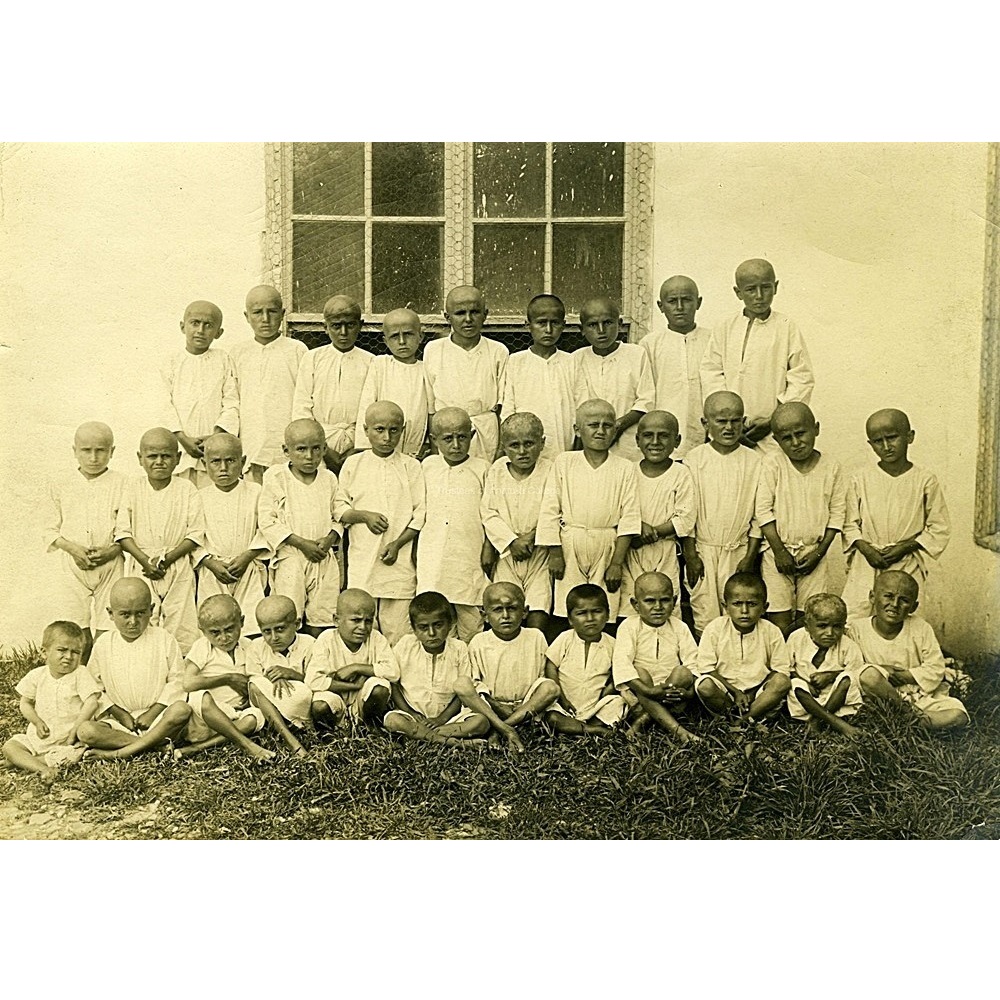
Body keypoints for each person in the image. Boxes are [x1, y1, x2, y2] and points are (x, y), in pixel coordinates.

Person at [537, 399, 641, 625]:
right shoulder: (564, 462)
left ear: (615, 428)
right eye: (594, 425)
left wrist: (616, 563)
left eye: (607, 425)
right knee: (570, 609)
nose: (601, 431)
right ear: (577, 429)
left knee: (604, 608)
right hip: (570, 544)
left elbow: (630, 517)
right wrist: (555, 553)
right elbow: (550, 509)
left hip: (607, 543)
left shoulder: (625, 467)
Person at [842, 408, 950, 617]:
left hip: (905, 561)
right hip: (867, 560)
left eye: (891, 438)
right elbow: (849, 524)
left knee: (903, 616)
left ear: (909, 436)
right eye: (877, 441)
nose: (886, 447)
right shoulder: (860, 479)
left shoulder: (925, 480)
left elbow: (939, 525)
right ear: (870, 444)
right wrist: (866, 549)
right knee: (857, 614)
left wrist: (905, 547)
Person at [700, 259, 814, 451]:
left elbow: (801, 378)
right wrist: (730, 420)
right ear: (738, 292)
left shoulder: (786, 327)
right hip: (730, 429)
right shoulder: (725, 327)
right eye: (751, 289)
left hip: (772, 430)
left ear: (776, 287)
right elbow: (711, 372)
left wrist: (774, 420)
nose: (759, 296)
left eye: (766, 288)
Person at [336, 401, 424, 644]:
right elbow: (339, 508)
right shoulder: (354, 464)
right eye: (379, 430)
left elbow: (421, 513)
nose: (387, 437)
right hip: (364, 559)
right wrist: (364, 516)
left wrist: (397, 543)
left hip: (399, 561)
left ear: (403, 430)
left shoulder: (411, 466)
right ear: (365, 430)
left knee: (399, 631)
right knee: (363, 626)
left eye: (394, 430)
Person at [76, 577, 193, 759]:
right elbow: (94, 687)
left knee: (181, 710)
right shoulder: (104, 644)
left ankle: (121, 751)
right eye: (125, 614)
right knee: (86, 731)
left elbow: (177, 681)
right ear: (110, 613)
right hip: (121, 724)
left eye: (140, 613)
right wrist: (119, 713)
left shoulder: (164, 639)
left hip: (159, 719)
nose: (133, 621)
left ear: (151, 610)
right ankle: (152, 747)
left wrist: (153, 712)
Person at [756, 402, 846, 636]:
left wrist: (819, 552)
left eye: (801, 433)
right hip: (776, 553)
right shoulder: (773, 464)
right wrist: (779, 550)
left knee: (811, 615)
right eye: (787, 438)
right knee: (779, 616)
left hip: (814, 553)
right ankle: (782, 666)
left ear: (815, 428)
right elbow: (763, 510)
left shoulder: (831, 467)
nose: (796, 443)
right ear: (776, 440)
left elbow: (837, 514)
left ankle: (803, 665)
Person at [115, 428, 205, 653]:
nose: (159, 462)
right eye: (152, 456)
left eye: (165, 456)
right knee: (144, 616)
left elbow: (195, 534)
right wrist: (145, 561)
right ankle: (146, 664)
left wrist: (168, 559)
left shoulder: (186, 489)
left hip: (177, 563)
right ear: (140, 459)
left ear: (177, 459)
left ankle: (179, 671)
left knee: (181, 619)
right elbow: (123, 533)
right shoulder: (133, 487)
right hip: (142, 564)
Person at [43, 421, 126, 660]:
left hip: (110, 564)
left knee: (108, 625)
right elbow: (49, 528)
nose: (93, 457)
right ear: (75, 451)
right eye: (86, 450)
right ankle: (76, 676)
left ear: (112, 451)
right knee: (75, 624)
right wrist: (72, 548)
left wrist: (113, 550)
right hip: (72, 563)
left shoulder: (123, 483)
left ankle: (103, 676)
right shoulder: (61, 483)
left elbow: (127, 526)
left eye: (101, 450)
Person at [684, 392, 763, 637]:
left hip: (738, 551)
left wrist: (749, 556)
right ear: (705, 423)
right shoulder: (694, 460)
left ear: (744, 421)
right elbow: (687, 512)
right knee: (705, 612)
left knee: (739, 613)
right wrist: (691, 555)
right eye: (721, 421)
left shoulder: (756, 461)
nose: (729, 428)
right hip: (703, 550)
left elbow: (759, 516)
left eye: (735, 421)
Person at [849, 570, 968, 730]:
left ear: (914, 606)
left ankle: (909, 720)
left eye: (904, 600)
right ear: (872, 597)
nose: (895, 604)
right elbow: (851, 666)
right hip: (878, 696)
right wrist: (883, 671)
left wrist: (906, 676)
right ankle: (914, 720)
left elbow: (936, 667)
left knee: (958, 715)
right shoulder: (856, 629)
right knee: (869, 676)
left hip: (917, 697)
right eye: (888, 596)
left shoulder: (921, 628)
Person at [258, 419, 341, 637]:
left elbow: (338, 515)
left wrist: (331, 538)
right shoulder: (276, 477)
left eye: (316, 449)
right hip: (291, 554)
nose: (309, 456)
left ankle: (318, 662)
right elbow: (267, 520)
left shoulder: (329, 478)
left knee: (323, 615)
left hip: (323, 555)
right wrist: (301, 543)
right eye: (301, 449)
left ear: (324, 448)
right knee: (289, 612)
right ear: (286, 450)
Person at [453, 583, 559, 751]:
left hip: (525, 705)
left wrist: (523, 705)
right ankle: (508, 727)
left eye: (512, 608)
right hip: (492, 706)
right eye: (497, 610)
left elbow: (540, 677)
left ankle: (500, 728)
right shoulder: (478, 642)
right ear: (484, 615)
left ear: (524, 612)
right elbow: (476, 683)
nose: (505, 615)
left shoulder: (535, 637)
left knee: (550, 687)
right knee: (464, 686)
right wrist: (496, 705)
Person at [417, 408, 491, 642]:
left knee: (470, 620)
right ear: (434, 440)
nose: (456, 445)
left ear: (472, 435)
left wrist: (489, 547)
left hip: (469, 553)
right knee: (438, 616)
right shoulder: (427, 467)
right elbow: (418, 511)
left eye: (462, 437)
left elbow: (491, 512)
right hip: (434, 552)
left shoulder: (483, 468)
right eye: (448, 439)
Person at [384, 592, 492, 746]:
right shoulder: (405, 645)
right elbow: (393, 685)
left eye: (438, 625)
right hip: (414, 716)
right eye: (423, 627)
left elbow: (462, 694)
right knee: (393, 720)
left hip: (449, 718)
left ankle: (422, 735)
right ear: (413, 628)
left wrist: (442, 719)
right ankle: (453, 742)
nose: (432, 633)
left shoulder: (458, 649)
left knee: (481, 722)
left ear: (450, 623)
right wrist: (411, 712)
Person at [179, 594, 279, 760]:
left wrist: (251, 696)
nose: (223, 638)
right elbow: (188, 683)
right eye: (215, 633)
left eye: (229, 629)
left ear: (242, 621)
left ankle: (197, 749)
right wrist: (227, 678)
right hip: (208, 718)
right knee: (199, 697)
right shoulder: (203, 646)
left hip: (235, 715)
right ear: (202, 630)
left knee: (255, 716)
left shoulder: (249, 646)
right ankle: (248, 745)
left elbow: (258, 677)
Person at [481, 412, 553, 632]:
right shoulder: (497, 471)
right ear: (504, 446)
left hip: (539, 551)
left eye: (529, 444)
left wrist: (531, 537)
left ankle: (536, 655)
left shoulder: (551, 470)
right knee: (506, 602)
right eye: (514, 445)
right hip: (507, 553)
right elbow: (488, 511)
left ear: (542, 443)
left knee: (539, 604)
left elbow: (555, 509)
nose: (522, 452)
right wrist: (511, 541)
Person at [620, 410, 696, 620]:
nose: (655, 442)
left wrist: (653, 532)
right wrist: (637, 526)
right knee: (632, 606)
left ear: (677, 440)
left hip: (664, 550)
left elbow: (686, 517)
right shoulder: (627, 472)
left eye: (663, 435)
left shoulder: (681, 474)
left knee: (665, 606)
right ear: (637, 440)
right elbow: (619, 508)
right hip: (631, 549)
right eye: (648, 436)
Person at [3, 621, 100, 784]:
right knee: (9, 747)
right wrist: (37, 721)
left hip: (67, 741)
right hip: (39, 738)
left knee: (74, 754)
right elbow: (25, 703)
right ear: (44, 652)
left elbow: (92, 702)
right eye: (62, 650)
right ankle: (43, 767)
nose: (69, 657)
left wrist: (75, 730)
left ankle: (25, 762)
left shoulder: (80, 674)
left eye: (76, 652)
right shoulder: (37, 675)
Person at [229, 285, 306, 483]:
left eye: (271, 312)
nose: (265, 319)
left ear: (282, 314)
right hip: (251, 445)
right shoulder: (237, 353)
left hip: (286, 445)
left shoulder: (297, 350)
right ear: (247, 316)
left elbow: (304, 399)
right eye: (257, 312)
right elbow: (232, 400)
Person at [423, 285, 508, 463]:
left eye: (475, 312)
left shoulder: (497, 351)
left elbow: (502, 405)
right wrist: (434, 446)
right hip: (447, 434)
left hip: (485, 430)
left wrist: (501, 447)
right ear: (447, 317)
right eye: (460, 313)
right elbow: (431, 405)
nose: (468, 319)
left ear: (485, 314)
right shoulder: (434, 350)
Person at [195, 433, 268, 637]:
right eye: (216, 462)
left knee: (251, 624)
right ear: (204, 463)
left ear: (243, 462)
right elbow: (193, 536)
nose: (224, 468)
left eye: (230, 461)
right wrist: (209, 562)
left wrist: (247, 556)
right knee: (215, 621)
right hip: (214, 571)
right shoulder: (199, 497)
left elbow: (266, 528)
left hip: (247, 567)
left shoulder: (256, 492)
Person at [612, 572, 700, 743]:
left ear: (674, 602)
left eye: (665, 600)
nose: (658, 607)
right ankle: (679, 731)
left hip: (672, 691)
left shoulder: (679, 627)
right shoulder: (629, 626)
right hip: (640, 693)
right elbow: (622, 665)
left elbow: (693, 662)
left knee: (682, 671)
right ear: (636, 604)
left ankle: (645, 718)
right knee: (640, 672)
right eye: (650, 601)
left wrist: (688, 693)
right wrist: (649, 691)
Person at [160, 299, 239, 486]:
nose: (200, 331)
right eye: (195, 323)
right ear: (182, 326)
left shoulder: (223, 360)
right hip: (180, 448)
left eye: (208, 325)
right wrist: (182, 439)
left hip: (213, 450)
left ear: (219, 333)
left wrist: (216, 436)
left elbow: (232, 401)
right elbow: (164, 404)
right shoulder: (171, 362)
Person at [292, 295, 373, 473]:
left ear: (360, 325)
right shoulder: (312, 358)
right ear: (326, 328)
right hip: (318, 446)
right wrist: (323, 450)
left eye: (350, 325)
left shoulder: (371, 362)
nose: (343, 332)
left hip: (358, 445)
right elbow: (301, 408)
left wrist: (358, 448)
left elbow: (372, 410)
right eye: (336, 326)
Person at [693, 572, 791, 720]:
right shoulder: (715, 629)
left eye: (752, 604)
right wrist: (735, 692)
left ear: (765, 607)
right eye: (737, 604)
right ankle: (734, 716)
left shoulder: (771, 631)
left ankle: (744, 719)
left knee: (782, 681)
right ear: (725, 606)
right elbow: (706, 668)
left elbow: (780, 669)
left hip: (758, 695)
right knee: (704, 685)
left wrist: (752, 693)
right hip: (725, 693)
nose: (744, 611)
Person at [572, 296, 654, 462]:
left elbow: (646, 399)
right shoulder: (576, 359)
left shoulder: (636, 354)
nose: (601, 330)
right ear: (582, 329)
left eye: (608, 323)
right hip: (590, 442)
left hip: (628, 442)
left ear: (620, 325)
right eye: (593, 325)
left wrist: (618, 425)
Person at [306, 589, 399, 728]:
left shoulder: (376, 638)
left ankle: (369, 727)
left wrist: (356, 668)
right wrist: (354, 685)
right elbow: (313, 681)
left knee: (380, 688)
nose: (362, 627)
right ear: (336, 620)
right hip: (336, 702)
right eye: (356, 620)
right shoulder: (326, 639)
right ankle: (330, 735)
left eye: (368, 621)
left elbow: (393, 672)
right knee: (320, 705)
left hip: (362, 702)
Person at [641, 275, 711, 458]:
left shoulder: (713, 340)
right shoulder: (650, 344)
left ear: (698, 302)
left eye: (687, 300)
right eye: (672, 301)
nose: (680, 307)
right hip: (664, 438)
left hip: (707, 434)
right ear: (660, 306)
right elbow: (646, 393)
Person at [544, 584, 627, 735]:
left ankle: (581, 728)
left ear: (608, 614)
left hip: (594, 706)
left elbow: (619, 672)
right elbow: (551, 666)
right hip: (563, 705)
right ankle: (592, 730)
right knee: (551, 716)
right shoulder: (565, 639)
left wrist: (608, 691)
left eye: (597, 612)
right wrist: (562, 699)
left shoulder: (613, 644)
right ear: (570, 619)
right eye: (582, 613)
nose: (590, 619)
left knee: (619, 703)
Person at [501, 294, 577, 459]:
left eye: (555, 323)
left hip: (564, 447)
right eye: (542, 323)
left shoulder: (572, 362)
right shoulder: (515, 362)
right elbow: (508, 409)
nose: (548, 330)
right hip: (525, 450)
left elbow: (580, 408)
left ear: (563, 325)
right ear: (529, 325)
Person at [353, 307, 433, 458]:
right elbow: (366, 404)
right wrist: (364, 448)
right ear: (385, 341)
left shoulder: (426, 369)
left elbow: (431, 410)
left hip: (414, 449)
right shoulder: (380, 365)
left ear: (421, 336)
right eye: (395, 336)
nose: (402, 342)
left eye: (408, 334)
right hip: (380, 449)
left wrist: (428, 443)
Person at [786, 594, 863, 737]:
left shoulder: (848, 645)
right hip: (806, 699)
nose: (830, 633)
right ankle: (834, 722)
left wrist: (831, 676)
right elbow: (786, 668)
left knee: (848, 678)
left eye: (837, 627)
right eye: (822, 626)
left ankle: (817, 720)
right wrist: (804, 682)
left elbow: (857, 673)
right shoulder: (796, 639)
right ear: (807, 626)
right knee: (795, 684)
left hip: (835, 699)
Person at [245, 596, 315, 735]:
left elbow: (316, 683)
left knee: (304, 693)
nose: (274, 637)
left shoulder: (310, 644)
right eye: (266, 631)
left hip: (301, 701)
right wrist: (274, 678)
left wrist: (291, 674)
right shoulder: (256, 647)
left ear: (297, 624)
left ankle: (293, 725)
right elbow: (255, 686)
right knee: (256, 683)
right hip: (269, 704)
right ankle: (287, 734)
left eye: (280, 629)